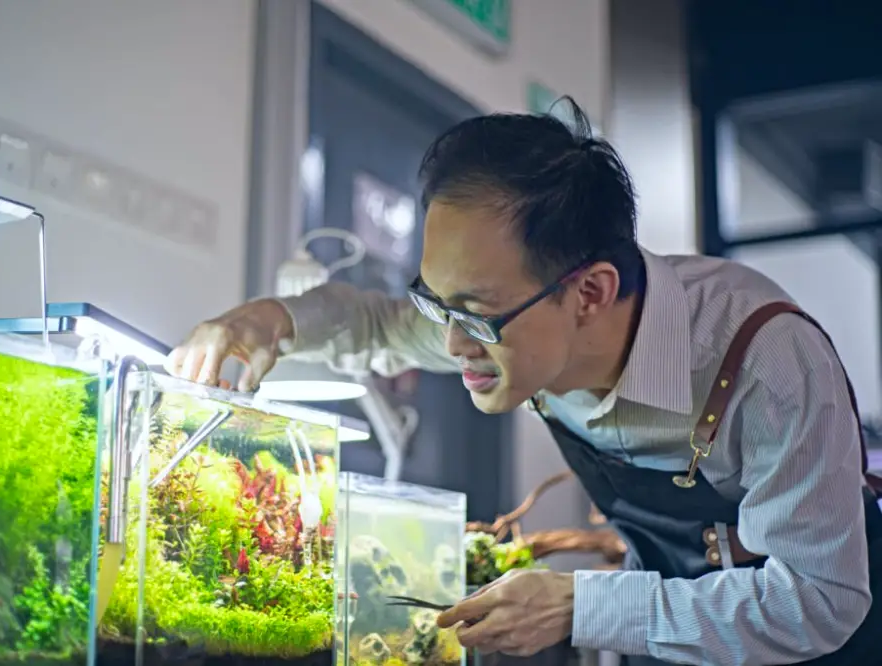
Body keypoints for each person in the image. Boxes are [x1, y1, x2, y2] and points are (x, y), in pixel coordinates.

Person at [165, 100, 882, 665]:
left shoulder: (766, 363)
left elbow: (818, 601)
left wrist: (579, 606)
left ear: (591, 293)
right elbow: (381, 326)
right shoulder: (522, 319)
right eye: (436, 303)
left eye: (474, 316)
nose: (449, 343)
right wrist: (266, 321)